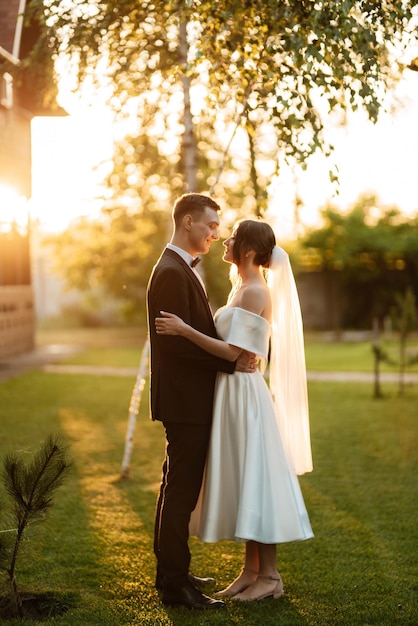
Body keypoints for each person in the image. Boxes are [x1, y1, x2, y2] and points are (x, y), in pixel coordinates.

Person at [155, 218, 314, 602]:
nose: (223, 240)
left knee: (256, 478)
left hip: (244, 397)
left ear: (245, 249)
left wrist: (184, 330)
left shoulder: (256, 291)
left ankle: (270, 578)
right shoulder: (241, 286)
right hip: (230, 393)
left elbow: (234, 353)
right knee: (245, 479)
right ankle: (251, 571)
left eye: (232, 238)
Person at [146, 193, 256, 610]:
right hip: (185, 401)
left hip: (186, 398)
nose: (216, 233)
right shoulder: (172, 272)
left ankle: (171, 573)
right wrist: (231, 364)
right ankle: (176, 585)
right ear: (188, 221)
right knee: (180, 493)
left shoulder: (178, 267)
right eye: (210, 225)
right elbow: (174, 348)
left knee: (174, 488)